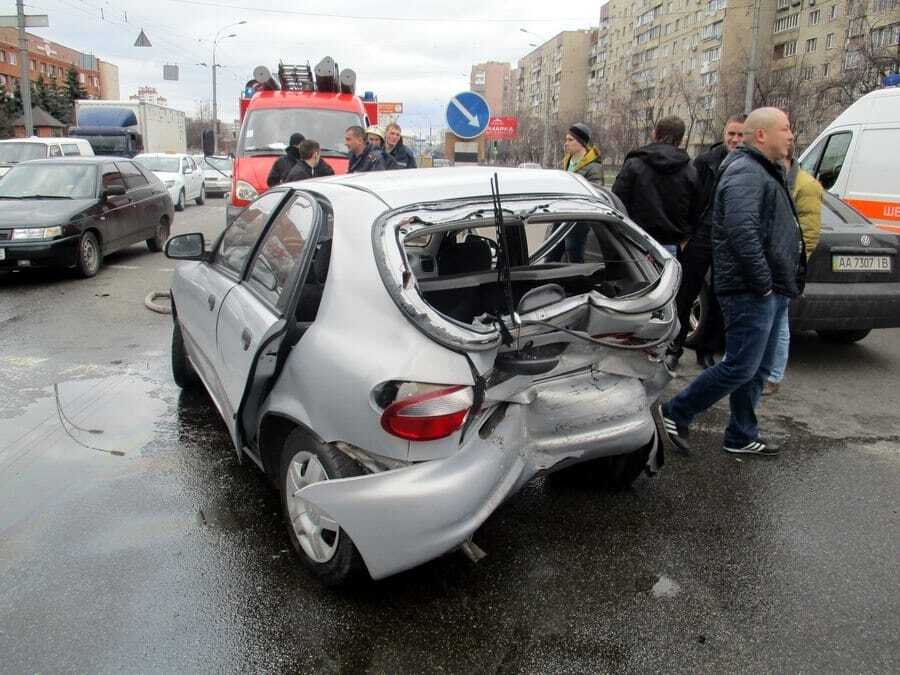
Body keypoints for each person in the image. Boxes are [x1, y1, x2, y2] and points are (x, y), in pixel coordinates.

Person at [661, 107, 804, 457]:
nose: (791, 135)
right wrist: (763, 283)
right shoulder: (746, 171)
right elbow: (742, 232)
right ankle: (675, 411)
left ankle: (741, 434)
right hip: (751, 289)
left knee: (756, 368)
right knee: (741, 364)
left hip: (771, 287)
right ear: (761, 135)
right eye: (785, 129)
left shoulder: (766, 169)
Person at [665, 114, 746, 372]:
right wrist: (686, 236)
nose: (734, 139)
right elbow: (687, 200)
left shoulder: (749, 164)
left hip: (729, 240)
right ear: (724, 133)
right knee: (686, 294)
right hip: (701, 235)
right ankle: (674, 349)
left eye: (740, 134)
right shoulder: (706, 161)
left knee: (720, 296)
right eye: (731, 133)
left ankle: (706, 350)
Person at [764, 139, 823, 395]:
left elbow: (809, 234)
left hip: (785, 267)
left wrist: (794, 264)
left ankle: (773, 375)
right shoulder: (773, 179)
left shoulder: (805, 185)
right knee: (771, 321)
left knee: (779, 324)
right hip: (770, 264)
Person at [612, 116, 699, 255]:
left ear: (654, 134)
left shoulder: (634, 164)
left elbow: (617, 200)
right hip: (671, 245)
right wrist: (685, 237)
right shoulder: (690, 170)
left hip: (635, 239)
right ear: (682, 139)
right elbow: (695, 210)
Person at [546, 123, 604, 263]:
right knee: (551, 254)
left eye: (570, 140)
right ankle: (547, 281)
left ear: (581, 143)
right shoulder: (567, 161)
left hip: (578, 220)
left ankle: (576, 283)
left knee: (574, 255)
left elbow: (593, 195)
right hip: (561, 215)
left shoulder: (593, 167)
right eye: (566, 139)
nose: (566, 143)